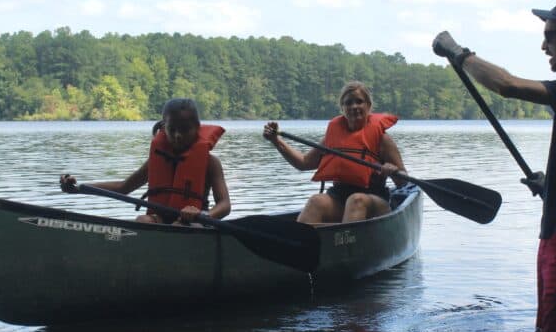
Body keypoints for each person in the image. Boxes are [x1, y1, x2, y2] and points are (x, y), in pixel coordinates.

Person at [432, 0, 556, 332]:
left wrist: (456, 52)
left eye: (549, 36)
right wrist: (553, 186)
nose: (543, 46)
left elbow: (507, 85)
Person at [60, 98, 231, 225]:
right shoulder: (157, 160)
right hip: (159, 219)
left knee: (180, 225)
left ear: (197, 128)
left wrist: (204, 214)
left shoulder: (210, 163)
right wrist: (79, 188)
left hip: (195, 222)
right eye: (173, 130)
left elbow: (225, 205)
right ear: (164, 129)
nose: (178, 135)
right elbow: (124, 187)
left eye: (185, 130)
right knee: (143, 220)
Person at [262, 81, 407, 224]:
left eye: (359, 101)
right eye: (348, 103)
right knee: (316, 201)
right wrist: (276, 140)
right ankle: (300, 244)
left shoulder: (382, 140)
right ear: (342, 108)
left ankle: (345, 245)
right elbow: (304, 163)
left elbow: (403, 181)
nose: (354, 106)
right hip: (339, 198)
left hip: (374, 202)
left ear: (368, 106)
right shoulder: (332, 138)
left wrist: (393, 171)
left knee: (356, 200)